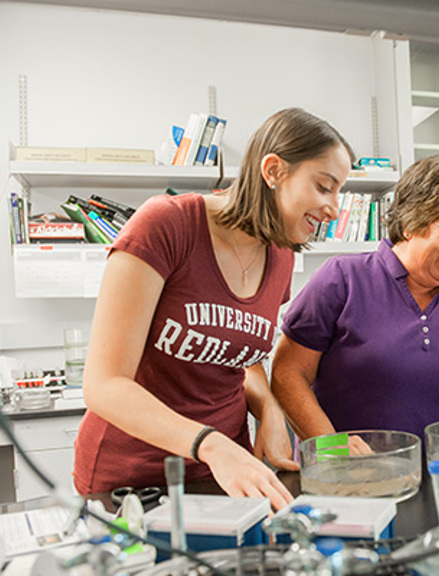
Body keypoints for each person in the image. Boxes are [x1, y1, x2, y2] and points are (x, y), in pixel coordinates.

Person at [74, 108, 354, 509]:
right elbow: (104, 385)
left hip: (226, 472)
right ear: (273, 170)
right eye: (325, 187)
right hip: (133, 478)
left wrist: (267, 407)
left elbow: (240, 352)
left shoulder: (280, 256)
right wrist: (210, 444)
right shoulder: (167, 226)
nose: (334, 208)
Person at [271, 154, 439, 443]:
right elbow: (288, 373)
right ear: (413, 222)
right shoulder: (342, 279)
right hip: (353, 475)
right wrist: (331, 447)